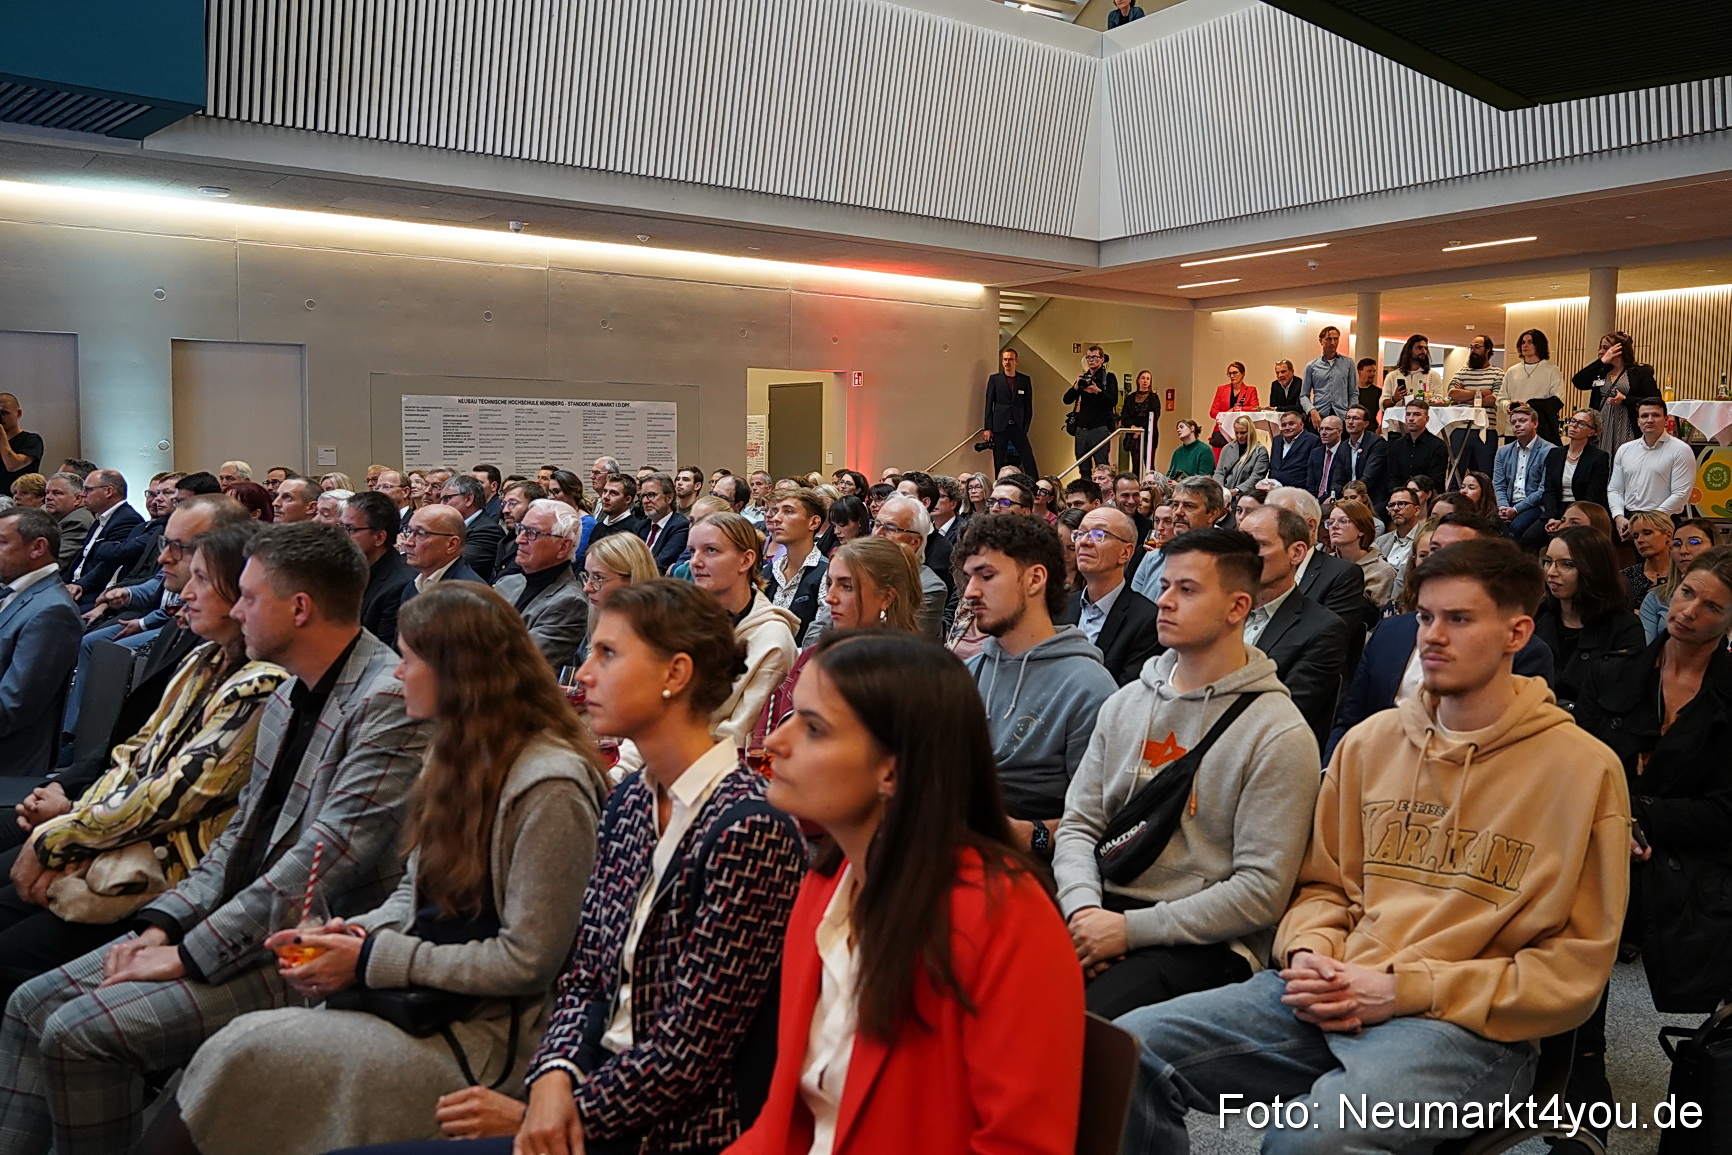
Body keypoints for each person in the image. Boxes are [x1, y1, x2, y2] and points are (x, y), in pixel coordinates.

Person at [1120, 537, 1630, 1154]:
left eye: (1459, 619)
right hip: (1333, 982)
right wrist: (1308, 950)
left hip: (1465, 1025)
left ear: (1516, 633)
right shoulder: (1371, 743)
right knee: (1125, 1054)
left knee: (1310, 1142)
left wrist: (1404, 990)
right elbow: (1321, 887)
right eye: (1425, 617)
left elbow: (1576, 968)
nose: (1433, 636)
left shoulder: (1584, 769)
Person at [0, 523, 433, 1155]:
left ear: (300, 608)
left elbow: (324, 859)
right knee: (28, 1003)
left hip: (311, 943)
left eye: (249, 597)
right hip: (236, 918)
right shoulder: (286, 690)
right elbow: (240, 838)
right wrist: (164, 925)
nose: (235, 609)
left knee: (77, 1031)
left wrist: (191, 951)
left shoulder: (385, 698)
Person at [148, 582, 609, 1155]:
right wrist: (359, 932)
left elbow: (528, 963)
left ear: (457, 672)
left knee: (244, 1056)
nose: (396, 675)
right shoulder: (455, 755)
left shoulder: (550, 787)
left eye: (410, 660)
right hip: (423, 1001)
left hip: (485, 1039)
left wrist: (369, 957)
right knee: (226, 1059)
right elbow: (413, 895)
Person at [481, 580, 805, 1155]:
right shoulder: (631, 801)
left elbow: (693, 1048)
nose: (583, 673)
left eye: (607, 654)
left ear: (675, 675)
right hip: (596, 1088)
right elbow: (585, 973)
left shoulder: (749, 827)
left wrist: (551, 1115)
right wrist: (553, 1076)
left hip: (677, 1131)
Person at [731, 631, 1084, 1155]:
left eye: (813, 728)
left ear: (892, 770)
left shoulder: (1004, 915)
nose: (776, 744)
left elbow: (1021, 1144)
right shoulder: (825, 887)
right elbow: (786, 1123)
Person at [0, 524, 287, 1000]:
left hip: (161, 869)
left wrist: (63, 835)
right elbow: (134, 755)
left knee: (11, 958)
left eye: (201, 578)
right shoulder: (203, 661)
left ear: (243, 595)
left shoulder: (264, 684)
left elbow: (175, 794)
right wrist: (74, 821)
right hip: (111, 836)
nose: (183, 589)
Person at [1056, 527, 1320, 1018]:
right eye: (1164, 586)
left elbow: (1260, 892)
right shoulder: (1125, 703)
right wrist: (1084, 912)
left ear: (1237, 607)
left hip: (1202, 946)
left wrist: (1126, 934)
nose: (1165, 602)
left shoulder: (1278, 733)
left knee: (1073, 1028)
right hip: (1098, 910)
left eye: (1188, 589)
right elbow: (1079, 825)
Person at [1568, 548, 1732, 1141]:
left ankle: (1594, 1082)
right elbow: (1575, 771)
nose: (1688, 611)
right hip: (1601, 846)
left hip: (1692, 861)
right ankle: (1581, 1073)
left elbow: (1726, 814)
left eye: (1711, 605)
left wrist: (1641, 819)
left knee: (1590, 898)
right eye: (1687, 592)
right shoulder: (1612, 675)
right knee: (1574, 902)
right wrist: (1618, 823)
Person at [1327, 514, 1557, 758]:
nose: (1432, 637)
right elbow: (1350, 720)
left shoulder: (1528, 651)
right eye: (1434, 549)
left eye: (1458, 619)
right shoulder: (1390, 632)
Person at [958, 513, 1117, 861]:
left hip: (1035, 871)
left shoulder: (1087, 687)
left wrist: (1035, 835)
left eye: (986, 576)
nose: (970, 592)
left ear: (1035, 580)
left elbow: (1105, 820)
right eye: (969, 578)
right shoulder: (968, 674)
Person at [750, 535, 922, 752]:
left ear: (886, 597)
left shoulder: (910, 673)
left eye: (846, 586)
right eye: (830, 584)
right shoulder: (812, 656)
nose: (829, 598)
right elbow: (767, 730)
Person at [1237, 505, 1353, 746]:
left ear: (1297, 553)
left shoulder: (1323, 629)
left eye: (1257, 545)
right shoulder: (1217, 611)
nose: (1241, 555)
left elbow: (1285, 715)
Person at [685, 513, 799, 752]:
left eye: (711, 551)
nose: (695, 561)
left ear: (746, 560)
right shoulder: (684, 623)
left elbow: (740, 736)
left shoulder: (772, 639)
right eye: (692, 551)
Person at [0, 509, 81, 779]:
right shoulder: (17, 594)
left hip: (10, 764)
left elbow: (12, 708)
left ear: (37, 547)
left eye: (1, 542)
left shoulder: (52, 611)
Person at [1533, 526, 1644, 711]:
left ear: (1593, 569)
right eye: (1548, 562)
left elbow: (1623, 698)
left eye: (1566, 564)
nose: (1551, 572)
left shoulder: (1624, 628)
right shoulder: (1537, 615)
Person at [1056, 506, 1160, 686]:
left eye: (1098, 535)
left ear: (1125, 552)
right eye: (1080, 534)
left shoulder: (1147, 620)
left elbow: (1127, 696)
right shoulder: (1061, 606)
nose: (1084, 542)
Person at [492, 499, 589, 668]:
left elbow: (521, 664)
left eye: (532, 533)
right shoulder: (506, 583)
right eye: (521, 529)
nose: (519, 540)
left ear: (563, 547)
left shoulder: (570, 602)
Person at [1608, 396, 1695, 539]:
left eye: (1655, 415)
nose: (1649, 420)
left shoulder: (1681, 450)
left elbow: (1680, 494)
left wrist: (1648, 522)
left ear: (1666, 420)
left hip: (1663, 520)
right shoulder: (1625, 449)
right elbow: (1615, 489)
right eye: (1644, 416)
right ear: (1638, 421)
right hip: (1628, 521)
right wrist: (1618, 516)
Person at [60, 470, 145, 610]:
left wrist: (81, 584)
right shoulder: (100, 518)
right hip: (76, 588)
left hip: (95, 594)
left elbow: (110, 564)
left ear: (108, 491)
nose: (82, 494)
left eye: (88, 489)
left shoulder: (127, 519)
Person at [1131, 476, 1225, 599]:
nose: (1178, 512)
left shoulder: (1226, 562)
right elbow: (1131, 607)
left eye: (1189, 506)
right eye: (1176, 505)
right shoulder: (1153, 557)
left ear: (1212, 514)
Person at [341, 492, 415, 649]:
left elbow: (384, 653)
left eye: (350, 529)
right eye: (340, 527)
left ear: (379, 537)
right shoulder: (348, 571)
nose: (341, 536)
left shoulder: (400, 585)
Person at [870, 495, 947, 641]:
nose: (878, 534)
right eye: (876, 524)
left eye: (890, 528)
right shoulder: (856, 568)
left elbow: (908, 649)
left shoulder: (929, 587)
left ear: (915, 542)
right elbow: (823, 625)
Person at [1573, 329, 1658, 458]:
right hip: (1602, 429)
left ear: (1619, 349)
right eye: (1600, 347)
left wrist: (1625, 399)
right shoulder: (1601, 371)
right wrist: (1601, 361)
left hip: (1627, 428)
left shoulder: (1640, 372)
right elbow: (1578, 381)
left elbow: (1654, 400)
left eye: (1605, 348)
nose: (1600, 351)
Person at [575, 531, 656, 665]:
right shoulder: (598, 622)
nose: (587, 588)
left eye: (598, 578)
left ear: (632, 580)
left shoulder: (654, 642)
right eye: (587, 576)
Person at [1537, 408, 1612, 545]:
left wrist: (1565, 520)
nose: (1574, 426)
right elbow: (1550, 491)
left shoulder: (1599, 457)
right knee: (1529, 537)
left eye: (1581, 423)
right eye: (1573, 421)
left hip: (1583, 510)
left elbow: (1593, 495)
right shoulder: (1555, 453)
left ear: (1592, 431)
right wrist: (1552, 517)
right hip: (1557, 508)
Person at [762, 488, 828, 645]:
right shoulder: (767, 572)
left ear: (814, 522)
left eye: (788, 511)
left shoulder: (827, 574)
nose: (776, 518)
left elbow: (820, 638)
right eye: (776, 511)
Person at [1638, 517, 1719, 642]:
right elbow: (1646, 652)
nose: (1683, 551)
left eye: (1694, 542)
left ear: (1715, 547)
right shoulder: (1655, 598)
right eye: (1676, 544)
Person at [399, 504, 484, 613]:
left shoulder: (469, 596)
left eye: (421, 534)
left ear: (451, 544)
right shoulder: (412, 585)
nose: (408, 542)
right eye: (409, 532)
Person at [1491, 401, 1556, 540]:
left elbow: (1543, 489)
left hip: (1535, 505)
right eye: (1514, 422)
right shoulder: (1503, 451)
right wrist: (1503, 507)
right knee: (1488, 526)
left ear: (1535, 423)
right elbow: (1498, 484)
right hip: (1508, 503)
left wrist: (1516, 510)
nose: (1517, 425)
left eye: (1523, 421)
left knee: (1515, 528)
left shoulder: (1550, 450)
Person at [1324, 498, 1396, 610]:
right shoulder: (1324, 565)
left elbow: (1385, 621)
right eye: (1330, 522)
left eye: (1343, 521)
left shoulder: (1382, 572)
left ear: (1361, 529)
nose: (1334, 526)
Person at [1502, 328, 1567, 445]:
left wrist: (1528, 406)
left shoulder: (1551, 370)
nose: (1525, 345)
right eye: (1523, 342)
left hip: (1540, 429)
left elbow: (1557, 400)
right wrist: (1508, 406)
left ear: (1539, 345)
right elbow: (1501, 398)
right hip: (1514, 430)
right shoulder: (1512, 371)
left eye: (1530, 342)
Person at [981, 348, 1038, 478]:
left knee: (1028, 458)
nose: (1007, 362)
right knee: (999, 459)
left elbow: (1028, 405)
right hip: (1000, 426)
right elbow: (989, 404)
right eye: (1005, 359)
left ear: (1016, 361)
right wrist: (988, 428)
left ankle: (1036, 486)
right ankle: (999, 485)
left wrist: (1025, 426)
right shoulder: (995, 379)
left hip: (1018, 426)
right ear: (1002, 362)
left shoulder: (1024, 380)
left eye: (1010, 359)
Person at [439, 476, 505, 584]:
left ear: (469, 499)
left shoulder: (488, 530)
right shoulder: (454, 526)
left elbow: (454, 564)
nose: (441, 504)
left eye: (447, 498)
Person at [1062, 344, 1118, 470]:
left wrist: (1098, 391)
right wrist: (1076, 386)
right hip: (1082, 428)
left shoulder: (1108, 378)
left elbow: (1113, 401)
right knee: (1083, 467)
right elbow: (1066, 399)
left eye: (1094, 357)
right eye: (1088, 357)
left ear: (1102, 359)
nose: (1091, 360)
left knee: (1102, 466)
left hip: (1099, 428)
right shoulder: (1083, 378)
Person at [1385, 400, 1449, 495]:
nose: (1411, 418)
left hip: (1427, 497)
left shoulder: (1438, 446)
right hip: (1401, 496)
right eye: (1408, 414)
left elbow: (1436, 482)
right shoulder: (1397, 445)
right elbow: (1393, 478)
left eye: (1416, 414)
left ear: (1426, 419)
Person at [635, 472, 690, 574]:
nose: (645, 501)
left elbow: (661, 565)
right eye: (643, 496)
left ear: (669, 498)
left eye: (651, 495)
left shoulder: (681, 526)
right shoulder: (641, 526)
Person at [1300, 325, 1355, 427]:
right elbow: (1303, 395)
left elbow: (1353, 392)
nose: (1333, 343)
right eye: (1329, 339)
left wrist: (1350, 414)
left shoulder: (1348, 363)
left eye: (1336, 339)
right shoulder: (1311, 366)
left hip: (1342, 415)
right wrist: (1311, 410)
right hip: (1320, 415)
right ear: (1321, 341)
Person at [1621, 508, 1673, 612]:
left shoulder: (1685, 574)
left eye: (1647, 533)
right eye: (1635, 536)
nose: (1640, 540)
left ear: (1668, 535)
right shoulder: (1624, 578)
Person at [41, 473, 92, 573]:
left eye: (57, 493)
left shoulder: (76, 522)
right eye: (47, 492)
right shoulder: (63, 518)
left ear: (77, 498)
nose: (48, 497)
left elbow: (54, 564)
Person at [1339, 404, 1388, 507]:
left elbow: (1369, 477)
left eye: (1355, 418)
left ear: (1365, 424)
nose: (1350, 422)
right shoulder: (1343, 446)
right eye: (1348, 418)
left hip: (1371, 498)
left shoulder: (1377, 443)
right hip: (1348, 497)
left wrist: (1351, 496)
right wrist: (1334, 495)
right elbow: (1338, 478)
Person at [1214, 414, 1269, 502]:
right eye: (1236, 432)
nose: (1239, 436)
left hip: (1246, 497)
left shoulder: (1260, 451)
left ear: (1251, 431)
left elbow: (1256, 477)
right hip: (1225, 496)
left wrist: (1237, 490)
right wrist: (1221, 490)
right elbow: (1219, 472)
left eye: (1243, 432)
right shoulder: (1227, 448)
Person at [1373, 485, 1423, 574]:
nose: (1395, 509)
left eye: (1402, 504)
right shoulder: (1380, 541)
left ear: (1417, 510)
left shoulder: (1425, 540)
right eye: (1391, 505)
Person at [1379, 333, 1440, 406]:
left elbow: (1439, 400)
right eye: (1419, 348)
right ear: (1409, 350)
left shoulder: (1433, 376)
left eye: (1425, 348)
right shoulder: (1393, 376)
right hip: (1397, 416)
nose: (1423, 351)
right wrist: (1394, 399)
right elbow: (1383, 405)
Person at [0, 396, 44, 497]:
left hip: (21, 499)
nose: (1, 417)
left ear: (18, 413)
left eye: (5, 413)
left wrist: (1, 434)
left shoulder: (32, 440)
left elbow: (12, 466)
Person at [1207, 362, 1260, 444]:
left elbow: (1255, 409)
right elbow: (1213, 412)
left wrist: (1236, 409)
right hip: (1223, 429)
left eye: (1235, 373)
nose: (1232, 376)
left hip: (1243, 430)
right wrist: (1226, 414)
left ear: (1243, 374)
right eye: (1230, 373)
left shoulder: (1251, 390)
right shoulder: (1221, 389)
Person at [588, 473, 646, 546]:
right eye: (605, 491)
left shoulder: (636, 529)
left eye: (613, 493)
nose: (605, 497)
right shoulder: (598, 527)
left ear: (627, 499)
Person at [1120, 369, 1159, 471]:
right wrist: (1133, 428)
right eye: (1143, 378)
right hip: (1133, 434)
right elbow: (1125, 416)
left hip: (1148, 434)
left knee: (1149, 464)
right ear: (1138, 380)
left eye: (1148, 379)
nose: (1145, 381)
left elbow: (1155, 416)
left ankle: (1150, 485)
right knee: (1135, 464)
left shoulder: (1154, 398)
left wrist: (1141, 429)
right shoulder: (1130, 398)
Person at [1268, 410, 1318, 490]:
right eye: (1284, 425)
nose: (1287, 428)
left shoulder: (1312, 440)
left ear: (1301, 425)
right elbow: (1273, 466)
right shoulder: (1277, 440)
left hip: (1298, 491)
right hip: (1274, 489)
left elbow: (1314, 471)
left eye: (1291, 424)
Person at [1305, 414, 1347, 500]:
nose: (1323, 433)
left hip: (1335, 499)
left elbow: (1341, 485)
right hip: (1315, 499)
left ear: (1339, 431)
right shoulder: (1315, 453)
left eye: (1328, 429)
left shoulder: (1346, 452)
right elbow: (1310, 484)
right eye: (1321, 429)